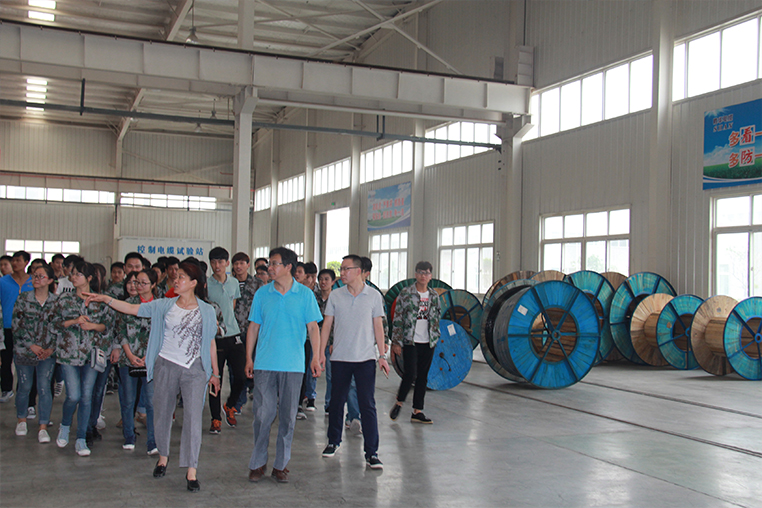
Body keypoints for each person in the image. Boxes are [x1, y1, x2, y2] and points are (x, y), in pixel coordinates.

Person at [85, 261, 221, 493]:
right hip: (166, 365)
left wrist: (215, 374)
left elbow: (210, 343)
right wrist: (106, 299)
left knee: (193, 419)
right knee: (162, 415)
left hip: (195, 369)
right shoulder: (163, 305)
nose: (176, 280)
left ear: (193, 283)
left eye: (181, 277)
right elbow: (131, 309)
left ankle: (191, 470)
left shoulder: (206, 310)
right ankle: (163, 457)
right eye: (176, 276)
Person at [245, 247, 322, 484]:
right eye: (269, 263)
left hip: (293, 365)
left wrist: (315, 357)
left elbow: (313, 328)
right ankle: (258, 463)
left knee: (288, 417)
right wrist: (249, 358)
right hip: (265, 364)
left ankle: (281, 464)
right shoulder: (262, 294)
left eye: (274, 263)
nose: (269, 267)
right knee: (262, 415)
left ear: (288, 266)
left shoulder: (305, 295)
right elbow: (253, 327)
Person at [319, 254, 389, 470]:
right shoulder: (336, 296)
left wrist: (382, 355)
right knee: (336, 402)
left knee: (367, 405)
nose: (342, 273)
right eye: (341, 269)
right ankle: (333, 441)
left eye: (346, 269)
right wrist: (320, 354)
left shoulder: (374, 296)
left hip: (365, 359)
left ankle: (372, 452)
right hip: (340, 359)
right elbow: (327, 326)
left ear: (358, 271)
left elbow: (378, 326)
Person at [50, 260, 115, 457]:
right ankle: (65, 426)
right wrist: (73, 321)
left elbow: (107, 326)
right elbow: (53, 324)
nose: (73, 277)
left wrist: (93, 326)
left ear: (89, 278)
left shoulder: (100, 300)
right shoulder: (64, 299)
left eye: (78, 274)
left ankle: (81, 439)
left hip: (91, 356)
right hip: (68, 355)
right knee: (73, 396)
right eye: (72, 274)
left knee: (86, 396)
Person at [389, 261, 441, 424]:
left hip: (428, 341)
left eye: (426, 273)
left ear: (430, 276)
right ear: (416, 274)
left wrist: (435, 335)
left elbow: (437, 316)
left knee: (423, 376)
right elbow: (398, 318)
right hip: (410, 340)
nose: (423, 276)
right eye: (420, 272)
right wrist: (396, 342)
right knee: (410, 373)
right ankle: (399, 402)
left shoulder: (434, 296)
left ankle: (417, 411)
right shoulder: (406, 294)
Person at [12, 263, 58, 443]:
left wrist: (51, 348)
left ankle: (43, 426)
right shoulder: (23, 299)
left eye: (40, 276)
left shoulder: (56, 302)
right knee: (24, 386)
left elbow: (60, 328)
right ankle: (21, 420)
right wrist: (31, 345)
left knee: (45, 388)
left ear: (50, 280)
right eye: (34, 276)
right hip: (25, 351)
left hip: (47, 353)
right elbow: (17, 325)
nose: (36, 279)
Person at [114, 269, 157, 454]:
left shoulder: (159, 305)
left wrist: (149, 356)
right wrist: (130, 355)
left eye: (143, 283)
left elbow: (162, 334)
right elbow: (121, 331)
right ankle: (129, 436)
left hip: (152, 361)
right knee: (128, 400)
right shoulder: (127, 304)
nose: (138, 286)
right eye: (136, 282)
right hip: (128, 359)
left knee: (152, 402)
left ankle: (153, 441)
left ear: (153, 285)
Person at [206, 247, 243, 433]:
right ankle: (215, 418)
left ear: (227, 263)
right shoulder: (205, 284)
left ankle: (230, 405)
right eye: (213, 262)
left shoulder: (234, 283)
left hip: (234, 335)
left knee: (242, 376)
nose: (217, 265)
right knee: (215, 378)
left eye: (220, 262)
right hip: (215, 338)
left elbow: (232, 306)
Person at [0, 251, 34, 403]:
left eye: (18, 260)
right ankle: (6, 389)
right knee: (6, 360)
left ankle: (23, 392)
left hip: (27, 329)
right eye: (13, 260)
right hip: (7, 327)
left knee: (24, 362)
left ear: (26, 262)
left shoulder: (33, 281)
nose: (15, 263)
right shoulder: (3, 282)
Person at [231, 252, 262, 412]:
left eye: (242, 263)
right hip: (234, 331)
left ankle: (255, 395)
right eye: (236, 263)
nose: (239, 266)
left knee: (255, 366)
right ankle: (237, 402)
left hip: (253, 331)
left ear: (248, 265)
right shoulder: (229, 283)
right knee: (236, 369)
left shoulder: (258, 284)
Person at [300, 261, 319, 413]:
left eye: (313, 276)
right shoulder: (298, 292)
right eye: (308, 276)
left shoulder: (317, 292)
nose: (310, 279)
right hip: (300, 337)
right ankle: (299, 399)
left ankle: (310, 396)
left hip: (313, 337)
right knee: (301, 369)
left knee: (312, 367)